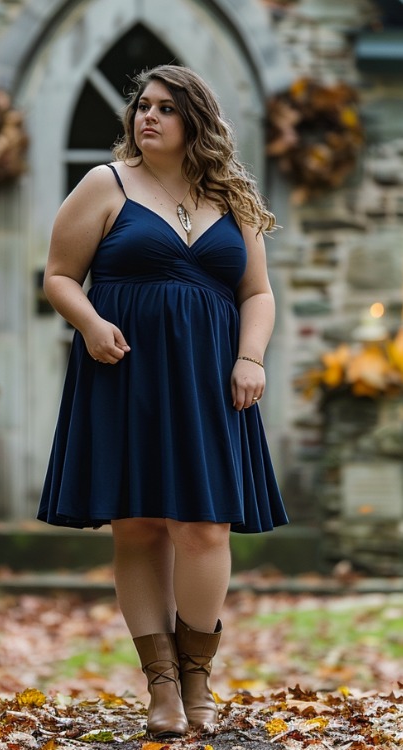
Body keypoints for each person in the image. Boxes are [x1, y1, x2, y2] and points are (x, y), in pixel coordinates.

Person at [37, 64, 288, 738]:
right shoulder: (105, 185)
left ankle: (198, 675)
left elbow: (257, 293)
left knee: (204, 527)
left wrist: (250, 356)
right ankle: (163, 687)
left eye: (165, 108)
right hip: (127, 374)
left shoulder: (232, 198)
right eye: (142, 106)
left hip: (211, 379)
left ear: (195, 121)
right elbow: (59, 275)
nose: (147, 117)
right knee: (140, 526)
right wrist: (90, 325)